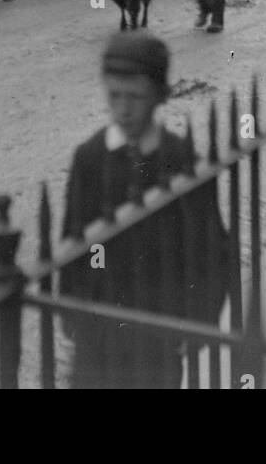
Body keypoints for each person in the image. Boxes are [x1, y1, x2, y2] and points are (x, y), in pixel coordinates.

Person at [60, 32, 229, 389]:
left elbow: (210, 247)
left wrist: (199, 319)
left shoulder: (180, 159)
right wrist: (72, 306)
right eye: (115, 95)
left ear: (160, 96)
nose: (123, 108)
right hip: (101, 326)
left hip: (159, 328)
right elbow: (72, 240)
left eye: (135, 97)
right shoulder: (90, 158)